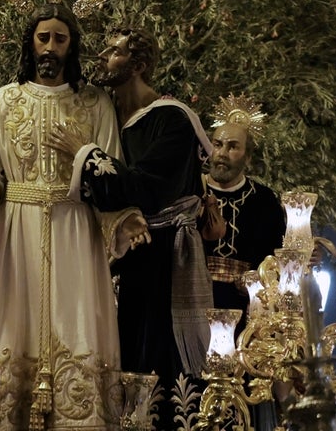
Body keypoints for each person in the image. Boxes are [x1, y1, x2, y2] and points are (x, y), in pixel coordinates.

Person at [0, 3, 145, 431]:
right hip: (17, 236)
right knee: (10, 336)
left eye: (59, 38)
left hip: (76, 233)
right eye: (43, 37)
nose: (50, 46)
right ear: (30, 43)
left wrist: (123, 219)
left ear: (72, 46)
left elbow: (109, 174)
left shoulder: (95, 103)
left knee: (77, 330)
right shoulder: (3, 101)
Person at [46, 26, 213, 421]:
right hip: (124, 257)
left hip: (164, 259)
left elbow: (143, 188)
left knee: (159, 358)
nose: (103, 56)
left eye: (114, 51)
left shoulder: (171, 120)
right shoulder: (112, 118)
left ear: (137, 65)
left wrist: (82, 153)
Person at [202, 95, 285, 431]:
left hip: (245, 317)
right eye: (217, 144)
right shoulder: (190, 191)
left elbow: (275, 264)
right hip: (196, 305)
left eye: (233, 146)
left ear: (247, 155)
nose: (221, 152)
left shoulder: (264, 201)